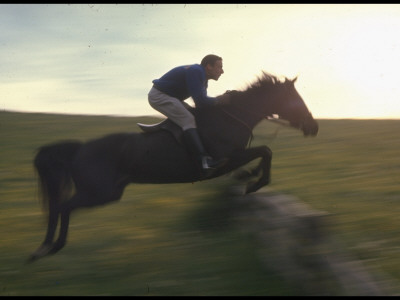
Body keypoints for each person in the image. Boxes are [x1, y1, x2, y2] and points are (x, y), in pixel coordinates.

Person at [148, 54, 230, 171]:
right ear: (209, 66)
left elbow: (201, 105)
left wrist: (218, 104)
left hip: (170, 97)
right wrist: (220, 101)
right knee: (188, 120)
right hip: (159, 96)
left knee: (193, 116)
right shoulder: (196, 72)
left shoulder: (202, 77)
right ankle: (204, 161)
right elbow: (201, 100)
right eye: (219, 67)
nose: (222, 71)